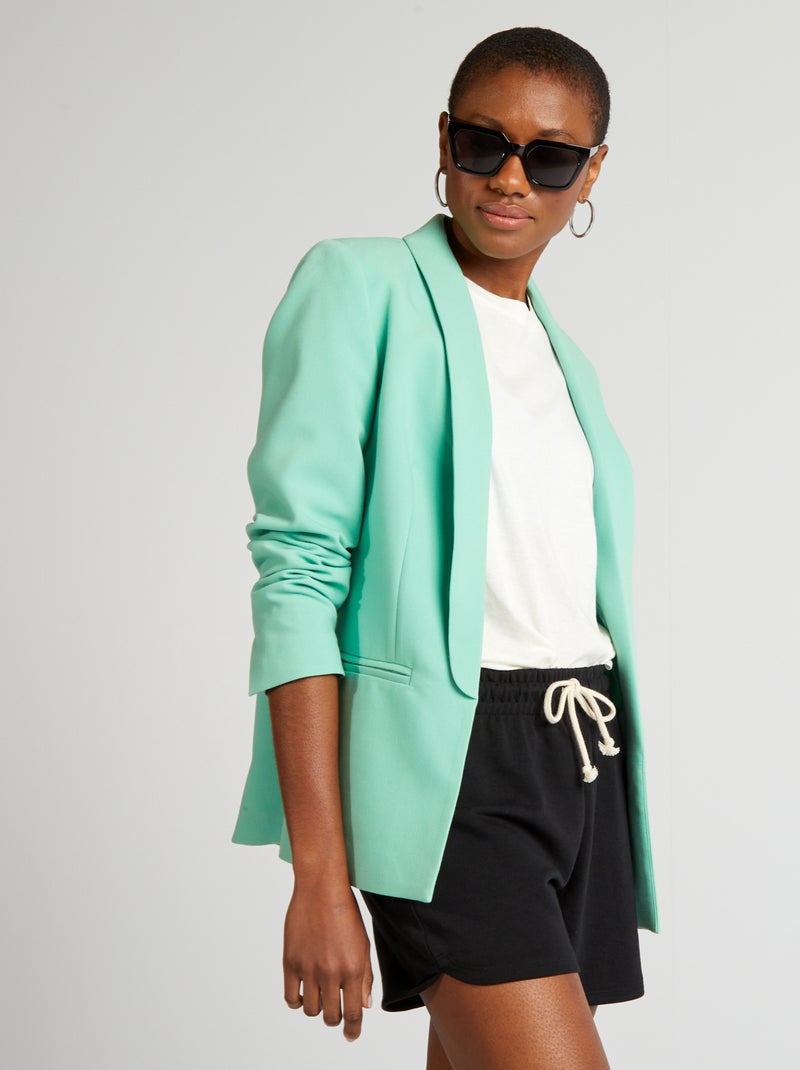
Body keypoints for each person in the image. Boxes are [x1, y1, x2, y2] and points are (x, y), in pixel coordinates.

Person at [232, 25, 658, 1070]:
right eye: (483, 143)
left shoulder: (566, 359)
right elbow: (299, 570)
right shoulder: (359, 286)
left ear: (591, 171)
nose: (510, 178)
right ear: (444, 140)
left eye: (548, 157)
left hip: (579, 754)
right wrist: (319, 872)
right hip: (448, 767)